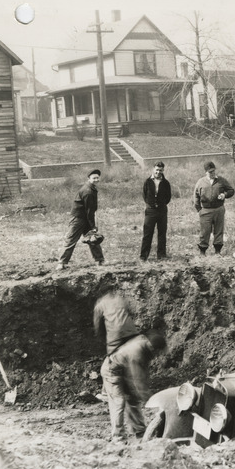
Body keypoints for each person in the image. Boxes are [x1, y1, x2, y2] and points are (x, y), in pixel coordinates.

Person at [93, 290, 166, 443]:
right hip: (111, 370)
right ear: (151, 346)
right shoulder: (137, 351)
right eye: (156, 352)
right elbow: (138, 379)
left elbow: (142, 374)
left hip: (121, 365)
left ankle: (140, 433)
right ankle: (118, 438)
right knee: (119, 402)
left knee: (132, 401)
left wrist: (143, 394)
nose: (157, 355)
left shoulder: (143, 344)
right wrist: (151, 400)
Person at [57, 169, 105, 270]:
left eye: (97, 177)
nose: (96, 179)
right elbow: (89, 211)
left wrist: (92, 228)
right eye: (94, 178)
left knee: (93, 239)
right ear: (89, 179)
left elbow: (90, 211)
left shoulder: (92, 188)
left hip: (85, 218)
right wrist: (93, 227)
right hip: (78, 219)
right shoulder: (87, 191)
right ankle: (61, 263)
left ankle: (99, 260)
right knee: (71, 240)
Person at [193, 161, 235, 256]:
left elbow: (231, 190)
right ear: (206, 172)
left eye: (213, 171)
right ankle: (202, 251)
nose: (212, 173)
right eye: (210, 172)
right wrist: (199, 209)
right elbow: (196, 196)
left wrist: (225, 194)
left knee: (218, 230)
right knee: (205, 231)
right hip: (205, 210)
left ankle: (217, 251)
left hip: (219, 209)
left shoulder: (221, 180)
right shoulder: (200, 182)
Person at [140, 161, 172, 261]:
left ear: (163, 170)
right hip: (150, 211)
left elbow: (168, 197)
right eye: (157, 170)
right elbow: (145, 195)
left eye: (160, 170)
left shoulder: (166, 183)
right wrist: (151, 204)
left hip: (162, 211)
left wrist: (161, 205)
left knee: (162, 233)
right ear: (153, 169)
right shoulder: (148, 182)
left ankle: (161, 255)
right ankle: (144, 256)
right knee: (147, 233)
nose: (158, 172)